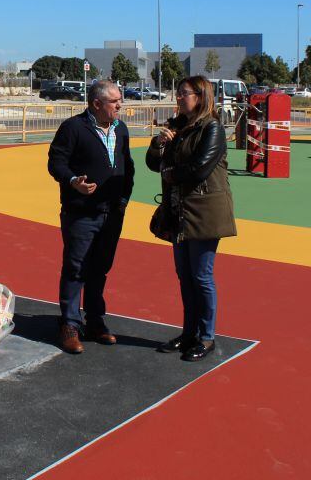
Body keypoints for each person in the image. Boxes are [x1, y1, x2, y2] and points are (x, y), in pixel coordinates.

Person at [146, 75, 236, 361]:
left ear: (200, 95)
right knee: (185, 276)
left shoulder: (212, 128)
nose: (179, 98)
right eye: (178, 93)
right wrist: (159, 143)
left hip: (204, 212)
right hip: (178, 211)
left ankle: (206, 337)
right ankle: (188, 333)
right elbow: (152, 163)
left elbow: (199, 169)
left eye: (184, 93)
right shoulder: (175, 126)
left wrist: (170, 173)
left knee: (201, 276)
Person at [47, 80, 135, 354]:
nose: (120, 105)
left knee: (100, 268)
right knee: (76, 269)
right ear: (96, 104)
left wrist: (122, 200)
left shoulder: (121, 129)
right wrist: (73, 181)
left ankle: (95, 320)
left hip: (112, 214)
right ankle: (70, 325)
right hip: (81, 214)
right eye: (115, 101)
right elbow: (55, 162)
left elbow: (127, 166)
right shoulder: (73, 128)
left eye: (120, 100)